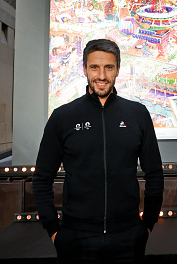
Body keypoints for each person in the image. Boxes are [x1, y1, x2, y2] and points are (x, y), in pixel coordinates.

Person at [33, 38, 164, 263]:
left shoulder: (137, 114)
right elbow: (42, 179)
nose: (101, 76)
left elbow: (155, 174)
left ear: (118, 70)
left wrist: (147, 227)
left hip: (128, 236)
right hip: (75, 238)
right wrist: (55, 232)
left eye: (108, 68)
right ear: (84, 69)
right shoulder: (63, 117)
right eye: (94, 67)